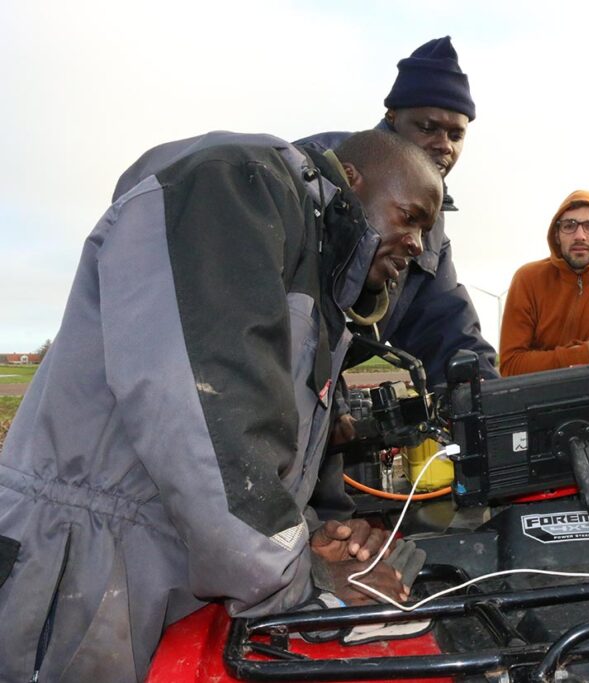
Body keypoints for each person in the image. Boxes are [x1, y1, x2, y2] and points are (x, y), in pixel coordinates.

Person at [0, 129, 440, 682]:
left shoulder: (316, 283)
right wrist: (304, 576)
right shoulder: (237, 183)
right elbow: (207, 418)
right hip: (80, 571)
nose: (419, 245)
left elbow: (269, 460)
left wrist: (315, 536)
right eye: (411, 216)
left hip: (165, 567)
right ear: (352, 180)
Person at [295, 36, 498, 386]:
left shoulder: (429, 232)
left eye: (456, 134)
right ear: (392, 115)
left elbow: (444, 329)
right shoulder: (315, 171)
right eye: (428, 127)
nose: (444, 145)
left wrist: (490, 402)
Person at [499, 190, 589, 376]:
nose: (580, 235)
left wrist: (539, 360)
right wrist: (581, 354)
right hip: (535, 399)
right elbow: (511, 366)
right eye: (569, 225)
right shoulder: (527, 279)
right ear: (556, 234)